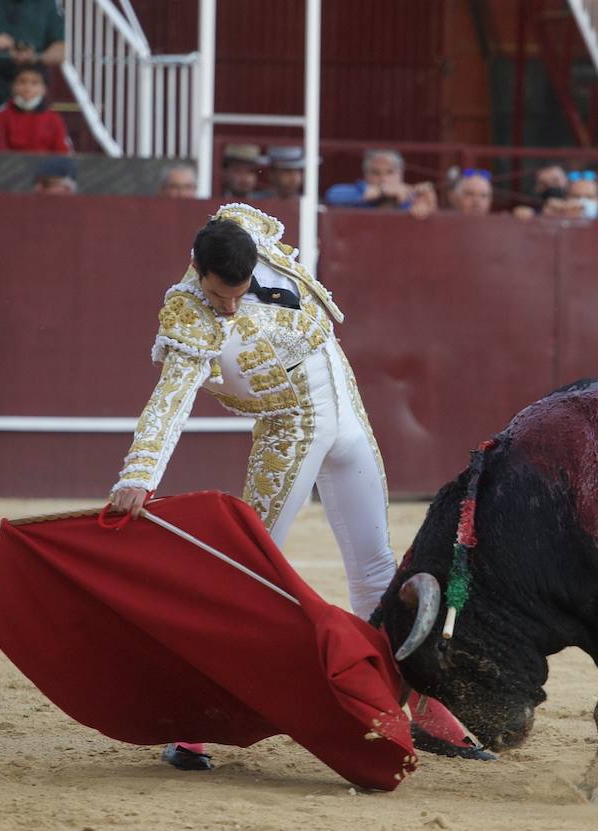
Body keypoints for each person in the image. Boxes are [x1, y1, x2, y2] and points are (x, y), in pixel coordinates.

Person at [107, 204, 490, 769]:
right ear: (196, 268)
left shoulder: (249, 230)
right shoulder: (188, 312)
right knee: (246, 574)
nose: (229, 306)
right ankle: (196, 722)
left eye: (238, 293)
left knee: (377, 569)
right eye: (221, 296)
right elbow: (170, 401)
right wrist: (138, 475)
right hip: (289, 431)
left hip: (347, 410)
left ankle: (423, 707)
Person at [0, 64, 70, 153]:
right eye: (22, 82)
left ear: (44, 89)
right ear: (13, 86)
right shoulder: (2, 116)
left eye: (34, 83)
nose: (27, 88)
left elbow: (62, 153)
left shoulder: (54, 119)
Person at [323, 148, 420, 210]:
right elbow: (332, 196)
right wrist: (382, 191)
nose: (383, 178)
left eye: (390, 172)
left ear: (400, 174)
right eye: (376, 173)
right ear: (366, 175)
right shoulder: (358, 191)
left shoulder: (411, 196)